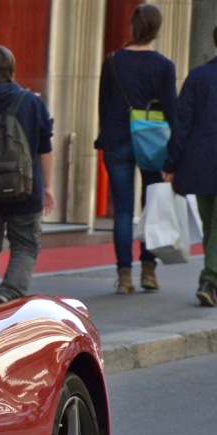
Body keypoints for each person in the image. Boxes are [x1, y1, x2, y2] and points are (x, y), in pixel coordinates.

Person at [95, 3, 177, 294]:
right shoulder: (165, 66)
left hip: (117, 139)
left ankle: (124, 276)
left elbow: (103, 107)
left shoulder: (113, 61)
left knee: (122, 211)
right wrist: (174, 156)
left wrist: (104, 136)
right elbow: (172, 111)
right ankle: (148, 271)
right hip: (153, 143)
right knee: (151, 206)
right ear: (156, 29)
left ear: (132, 26)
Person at [0, 46, 55, 303]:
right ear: (11, 72)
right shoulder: (32, 103)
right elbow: (45, 149)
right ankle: (9, 294)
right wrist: (47, 186)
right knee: (25, 246)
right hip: (26, 191)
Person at [162, 27, 217, 307]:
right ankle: (210, 279)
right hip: (205, 163)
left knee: (210, 222)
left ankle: (211, 279)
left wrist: (171, 162)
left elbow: (181, 123)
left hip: (202, 163)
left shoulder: (198, 77)